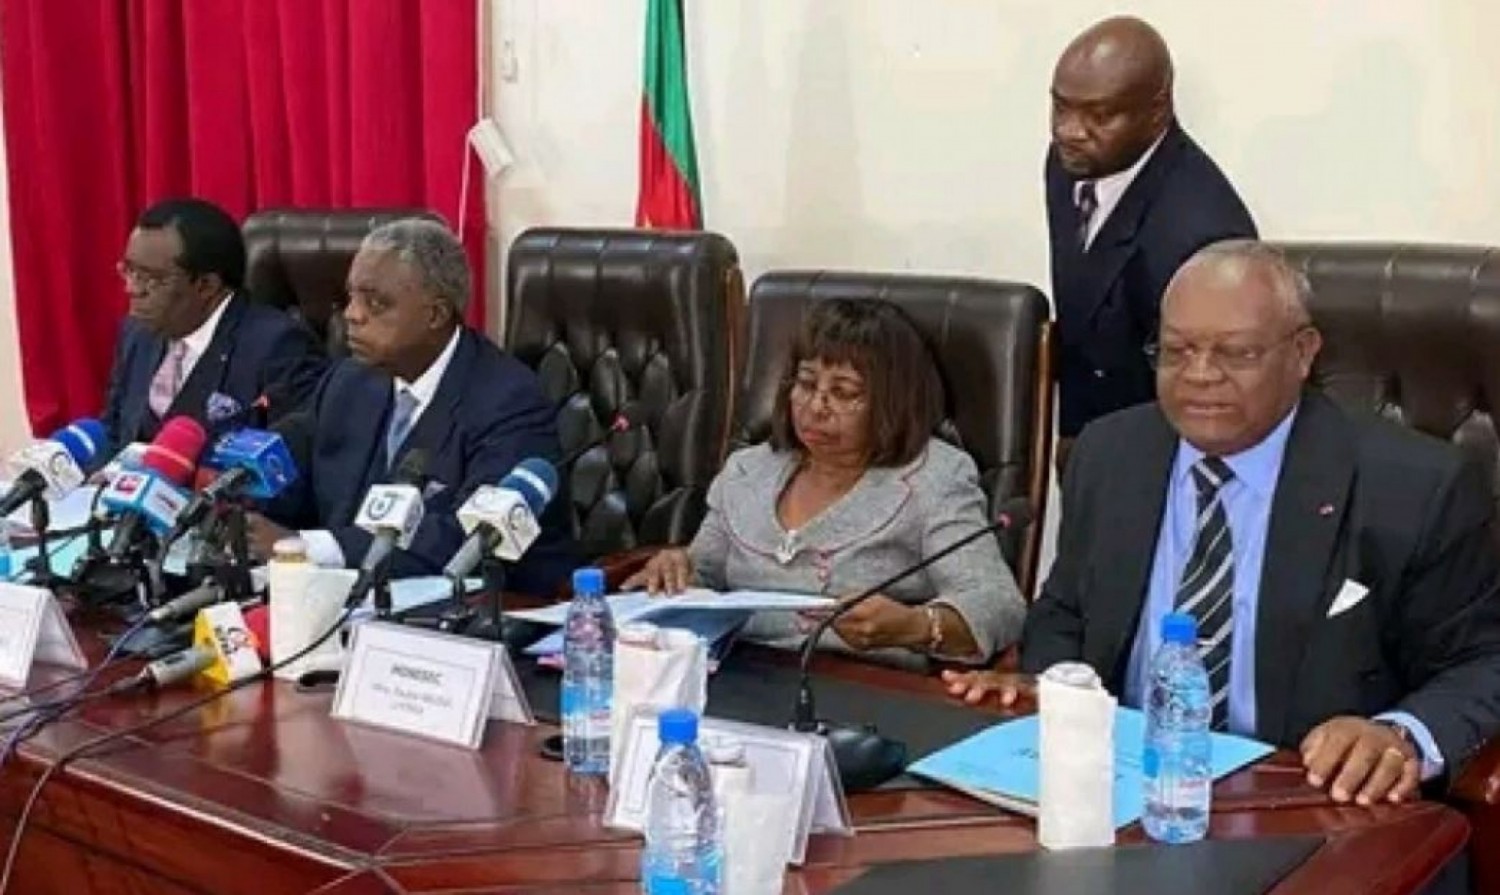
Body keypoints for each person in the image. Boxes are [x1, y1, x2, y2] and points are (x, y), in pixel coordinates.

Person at [946, 240, 1500, 808]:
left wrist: (1399, 734)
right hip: (1122, 784)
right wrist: (1050, 685)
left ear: (1303, 353)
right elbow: (1066, 609)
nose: (1200, 375)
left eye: (1236, 353)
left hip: (1308, 798)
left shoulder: (1414, 486)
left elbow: (1482, 661)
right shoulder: (1108, 453)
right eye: (1176, 350)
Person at [625, 299, 1025, 668]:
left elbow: (998, 604)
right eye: (805, 384)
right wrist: (676, 569)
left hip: (860, 686)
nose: (816, 406)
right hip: (736, 676)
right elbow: (704, 574)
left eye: (843, 392)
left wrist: (915, 625)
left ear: (894, 400)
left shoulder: (934, 477)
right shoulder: (748, 471)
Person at [249, 218, 575, 597]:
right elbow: (291, 479)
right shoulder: (349, 382)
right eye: (350, 297)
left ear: (435, 315)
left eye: (376, 303)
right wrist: (240, 516)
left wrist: (304, 548)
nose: (352, 314)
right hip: (348, 601)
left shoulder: (508, 400)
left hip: (491, 607)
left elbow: (468, 540)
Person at [1046, 16, 1256, 474]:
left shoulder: (1202, 232)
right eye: (1060, 107)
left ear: (1158, 110)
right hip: (1089, 437)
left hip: (1163, 458)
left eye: (1099, 116)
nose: (1069, 130)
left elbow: (1209, 392)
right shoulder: (1073, 162)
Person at [101, 198, 325, 452]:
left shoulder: (279, 347)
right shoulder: (137, 333)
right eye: (129, 271)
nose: (131, 289)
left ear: (206, 285)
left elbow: (288, 457)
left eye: (151, 279)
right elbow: (113, 432)